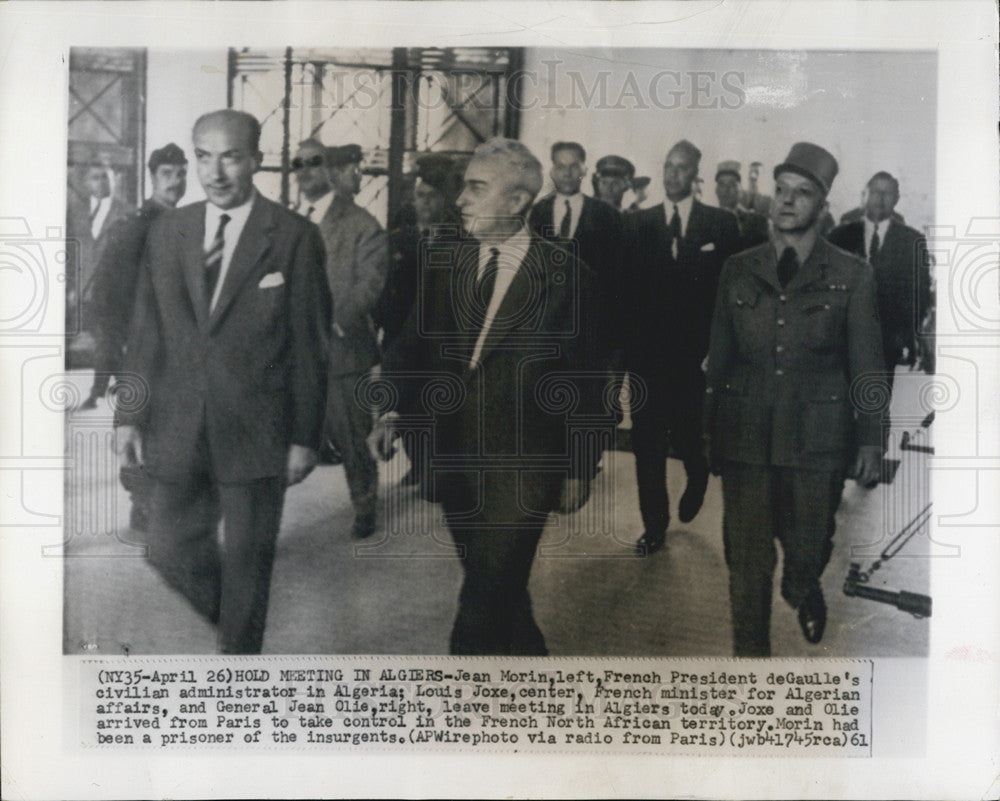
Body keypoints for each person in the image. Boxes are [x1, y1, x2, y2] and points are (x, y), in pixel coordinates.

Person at [376, 137, 606, 655]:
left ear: (518, 201)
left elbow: (590, 383)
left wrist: (579, 469)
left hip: (526, 466)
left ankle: (464, 719)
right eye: (463, 188)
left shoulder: (568, 277)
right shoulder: (443, 262)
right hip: (450, 456)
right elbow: (408, 344)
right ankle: (532, 672)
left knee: (478, 605)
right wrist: (390, 409)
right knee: (500, 591)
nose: (460, 201)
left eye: (477, 189)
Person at [115, 110, 330, 654]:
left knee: (248, 565)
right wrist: (129, 413)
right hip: (178, 422)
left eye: (230, 156)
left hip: (259, 429)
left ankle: (240, 658)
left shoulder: (295, 236)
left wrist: (305, 437)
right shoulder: (169, 230)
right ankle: (235, 624)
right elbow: (146, 331)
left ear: (256, 160)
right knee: (166, 549)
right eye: (204, 156)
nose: (216, 171)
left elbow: (310, 344)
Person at [703, 142, 885, 656]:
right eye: (781, 190)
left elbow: (868, 366)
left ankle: (803, 587)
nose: (786, 201)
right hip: (746, 436)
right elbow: (718, 359)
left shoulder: (852, 275)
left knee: (808, 547)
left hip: (816, 440)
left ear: (822, 206)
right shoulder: (739, 268)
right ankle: (751, 666)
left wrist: (871, 440)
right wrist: (705, 431)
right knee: (746, 561)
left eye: (801, 193)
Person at [623, 139, 740, 555]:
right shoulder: (637, 224)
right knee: (648, 443)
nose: (672, 175)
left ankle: (698, 473)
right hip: (647, 359)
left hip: (696, 358)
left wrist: (722, 351)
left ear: (696, 175)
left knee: (690, 435)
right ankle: (654, 525)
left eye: (681, 168)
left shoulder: (721, 225)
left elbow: (730, 296)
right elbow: (626, 297)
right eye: (667, 166)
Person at [297, 140, 388, 539]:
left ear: (332, 173)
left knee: (351, 437)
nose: (303, 172)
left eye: (313, 164)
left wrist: (333, 320)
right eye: (296, 164)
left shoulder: (362, 224)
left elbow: (370, 285)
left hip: (340, 350)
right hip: (294, 353)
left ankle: (365, 505)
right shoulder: (289, 221)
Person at [373, 152, 462, 488]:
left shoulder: (458, 240)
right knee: (404, 405)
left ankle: (436, 468)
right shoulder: (400, 238)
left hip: (439, 338)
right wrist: (376, 323)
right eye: (420, 196)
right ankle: (420, 464)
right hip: (400, 334)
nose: (424, 203)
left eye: (432, 197)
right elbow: (385, 287)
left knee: (435, 403)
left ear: (444, 199)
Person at [79, 143, 188, 413]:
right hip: (148, 352)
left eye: (181, 173)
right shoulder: (136, 227)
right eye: (167, 173)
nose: (175, 181)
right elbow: (111, 295)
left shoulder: (188, 224)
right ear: (152, 178)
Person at [828, 171, 933, 411]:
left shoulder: (911, 240)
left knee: (876, 407)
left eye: (887, 193)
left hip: (886, 341)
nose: (879, 198)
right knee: (838, 408)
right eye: (874, 192)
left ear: (896, 199)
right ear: (864, 195)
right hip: (840, 338)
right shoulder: (839, 236)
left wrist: (905, 334)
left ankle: (877, 447)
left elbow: (920, 294)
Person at [529, 141, 625, 361]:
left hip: (590, 327)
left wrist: (615, 342)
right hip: (545, 327)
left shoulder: (607, 216)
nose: (567, 173)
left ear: (584, 169)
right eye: (561, 166)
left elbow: (617, 279)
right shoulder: (536, 213)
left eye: (574, 166)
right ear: (552, 171)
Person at [714, 160, 769, 251]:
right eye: (721, 184)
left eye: (733, 184)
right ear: (716, 190)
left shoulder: (758, 223)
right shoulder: (707, 222)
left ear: (741, 189)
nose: (726, 189)